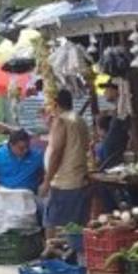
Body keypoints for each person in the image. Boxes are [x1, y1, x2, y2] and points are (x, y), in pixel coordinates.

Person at [40, 89, 91, 235]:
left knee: (52, 223)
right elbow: (85, 146)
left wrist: (46, 181)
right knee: (75, 224)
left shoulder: (62, 120)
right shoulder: (79, 120)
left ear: (56, 104)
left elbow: (56, 152)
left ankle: (51, 251)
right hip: (78, 178)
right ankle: (69, 252)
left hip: (64, 181)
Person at [0, 128, 44, 193]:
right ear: (11, 145)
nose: (25, 151)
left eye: (27, 147)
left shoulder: (37, 156)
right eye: (21, 148)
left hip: (28, 196)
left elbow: (47, 173)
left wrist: (45, 184)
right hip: (5, 194)